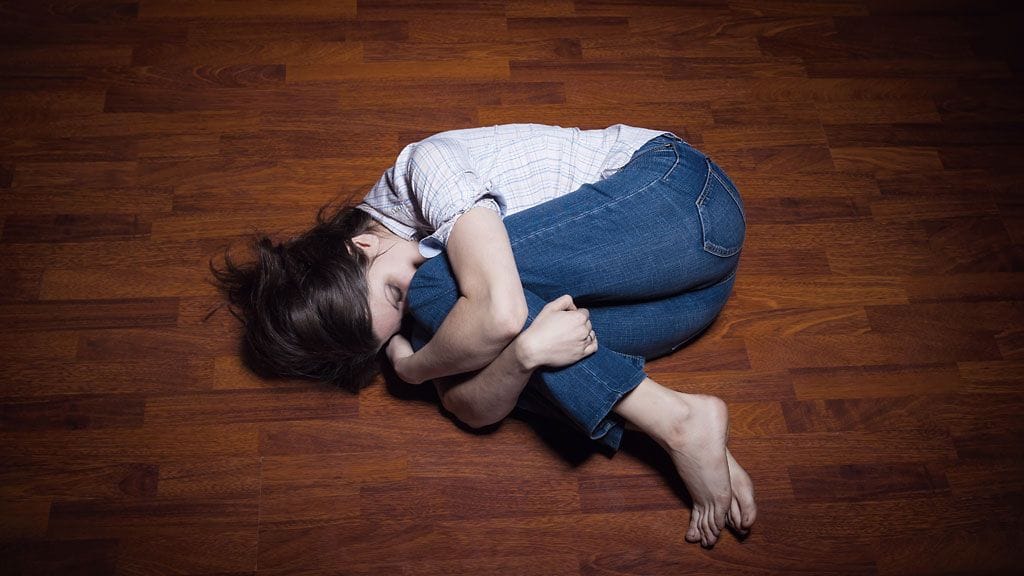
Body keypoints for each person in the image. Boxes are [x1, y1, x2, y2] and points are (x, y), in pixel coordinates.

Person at [213, 124, 757, 547]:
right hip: (692, 296)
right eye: (391, 331)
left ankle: (675, 421)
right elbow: (470, 409)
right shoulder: (416, 297)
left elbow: (498, 314)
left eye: (392, 294)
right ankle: (679, 423)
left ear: (362, 246)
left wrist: (412, 368)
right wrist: (523, 356)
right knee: (492, 360)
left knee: (444, 296)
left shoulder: (424, 167)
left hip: (683, 202)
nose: (407, 307)